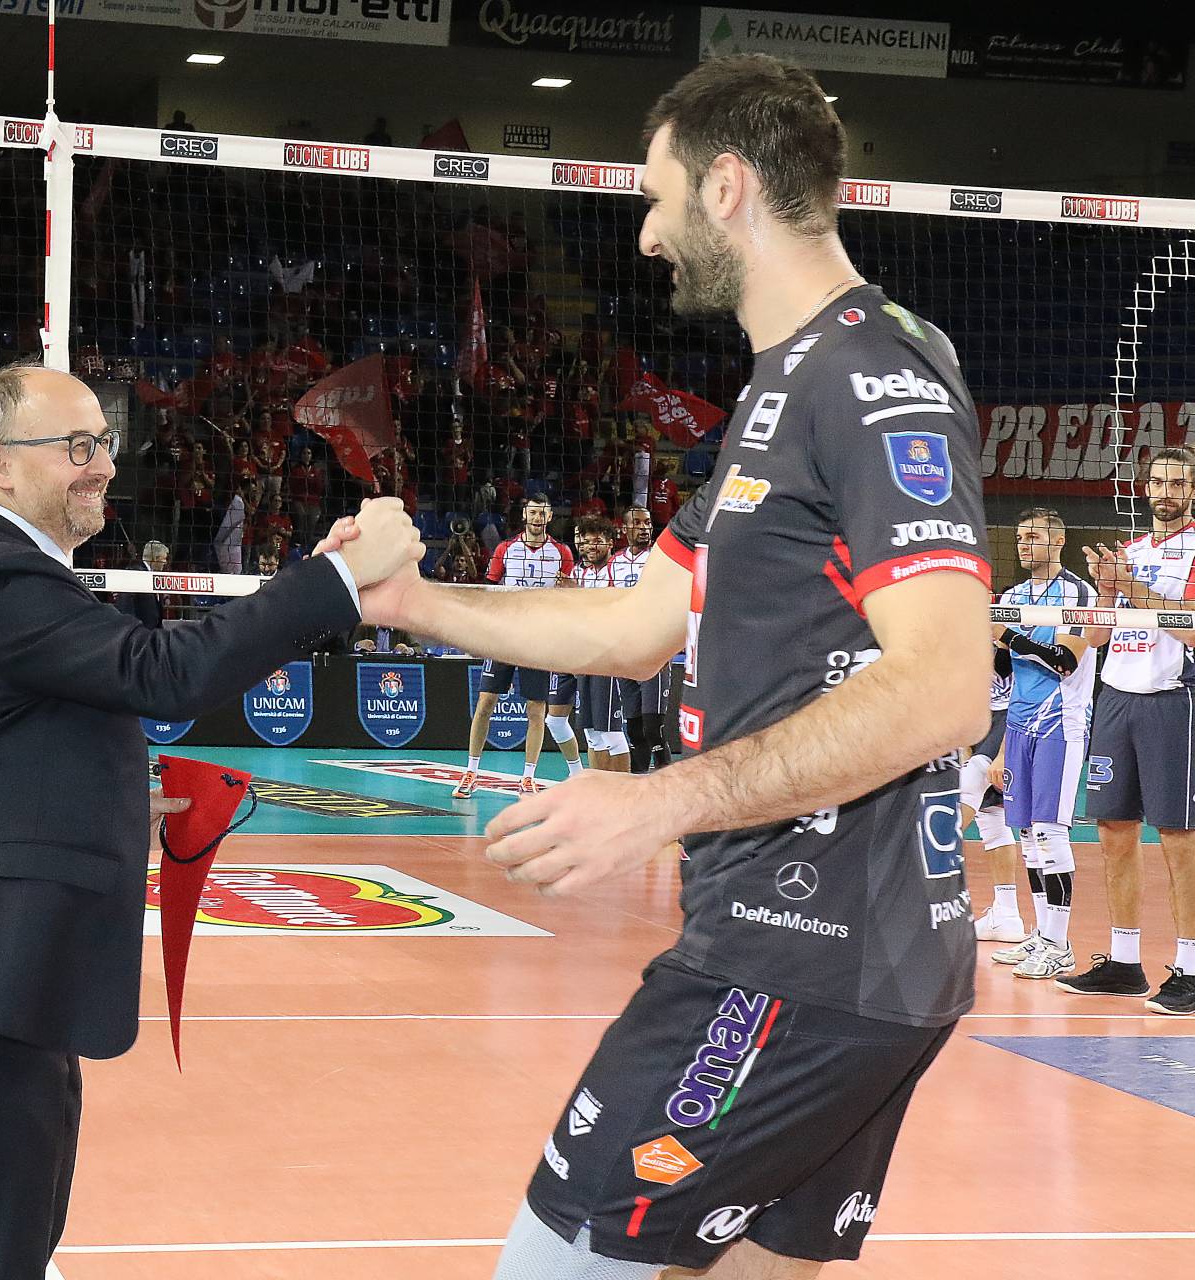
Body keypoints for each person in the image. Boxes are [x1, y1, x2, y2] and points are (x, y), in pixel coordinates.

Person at [349, 55, 992, 1277]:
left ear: (728, 186)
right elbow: (637, 624)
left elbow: (947, 683)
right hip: (843, 954)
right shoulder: (784, 387)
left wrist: (658, 801)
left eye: (658, 195)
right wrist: (413, 601)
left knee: (559, 1257)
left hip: (797, 947)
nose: (646, 234)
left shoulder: (868, 376)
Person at [0, 362, 418, 1279]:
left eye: (105, 443)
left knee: (7, 1256)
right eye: (77, 446)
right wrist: (337, 580)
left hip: (1, 983)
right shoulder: (0, 580)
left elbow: (18, 751)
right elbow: (163, 672)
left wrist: (126, 799)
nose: (104, 465)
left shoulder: (8, 575)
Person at [1060, 448, 1195, 1013]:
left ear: (1192, 490)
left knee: (1179, 836)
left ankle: (1190, 969)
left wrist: (1131, 587)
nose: (1166, 491)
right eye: (1158, 481)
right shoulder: (1131, 551)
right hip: (1116, 698)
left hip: (1172, 701)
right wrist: (1109, 590)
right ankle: (1123, 962)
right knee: (1114, 829)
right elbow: (1095, 637)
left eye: (1177, 482)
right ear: (1146, 488)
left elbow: (1191, 631)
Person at [985, 509, 1097, 981]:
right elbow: (1006, 668)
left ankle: (1059, 944)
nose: (1024, 544)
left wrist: (1007, 636)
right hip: (1018, 724)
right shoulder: (1013, 596)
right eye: (1020, 537)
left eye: (1033, 536)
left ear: (1058, 540)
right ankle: (1040, 934)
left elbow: (1065, 661)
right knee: (1028, 834)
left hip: (1058, 725)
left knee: (1050, 832)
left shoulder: (1078, 593)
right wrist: (990, 644)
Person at [456, 495, 576, 799]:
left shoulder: (562, 553)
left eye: (542, 513)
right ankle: (471, 772)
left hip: (538, 638)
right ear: (524, 515)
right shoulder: (505, 549)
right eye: (532, 512)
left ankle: (528, 777)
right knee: (485, 702)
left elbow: (569, 595)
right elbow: (489, 590)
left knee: (536, 709)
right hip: (504, 635)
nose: (537, 518)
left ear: (550, 517)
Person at [962, 642, 1023, 944]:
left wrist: (1002, 753)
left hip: (1014, 714)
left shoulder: (1009, 634)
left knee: (969, 784)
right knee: (990, 815)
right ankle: (1007, 914)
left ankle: (917, 894)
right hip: (977, 716)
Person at [569, 515, 632, 772]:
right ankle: (598, 788)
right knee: (592, 734)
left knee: (612, 733)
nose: (591, 546)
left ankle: (623, 791)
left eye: (597, 541)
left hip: (609, 659)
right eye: (586, 542)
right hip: (586, 659)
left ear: (610, 543)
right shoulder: (581, 574)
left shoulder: (618, 570)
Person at [610, 506, 670, 773]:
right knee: (634, 729)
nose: (644, 528)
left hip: (653, 651)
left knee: (653, 728)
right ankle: (638, 781)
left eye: (647, 523)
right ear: (625, 529)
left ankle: (666, 782)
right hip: (626, 651)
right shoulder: (615, 562)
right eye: (637, 523)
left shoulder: (660, 558)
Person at [115, 540, 169, 629]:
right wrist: (132, 631)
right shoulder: (135, 572)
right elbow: (125, 604)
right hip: (139, 632)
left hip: (150, 631)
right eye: (164, 558)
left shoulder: (151, 574)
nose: (165, 562)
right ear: (155, 558)